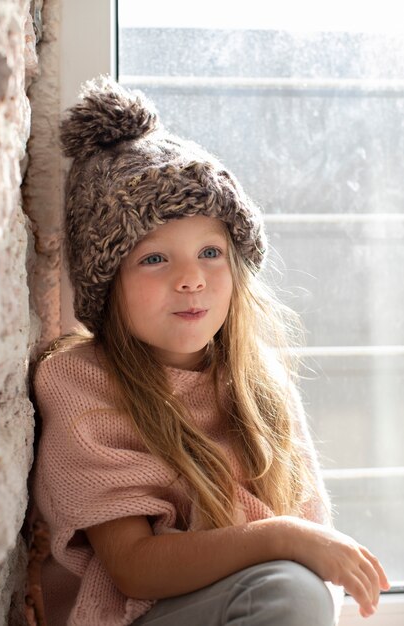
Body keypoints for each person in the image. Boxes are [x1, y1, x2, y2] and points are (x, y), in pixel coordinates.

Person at [32, 75, 389, 626]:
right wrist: (282, 536)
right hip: (135, 614)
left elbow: (311, 561)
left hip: (245, 601)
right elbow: (134, 568)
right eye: (155, 259)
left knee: (296, 590)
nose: (191, 279)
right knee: (289, 590)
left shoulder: (257, 384)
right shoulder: (82, 381)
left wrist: (298, 545)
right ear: (106, 285)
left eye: (209, 252)